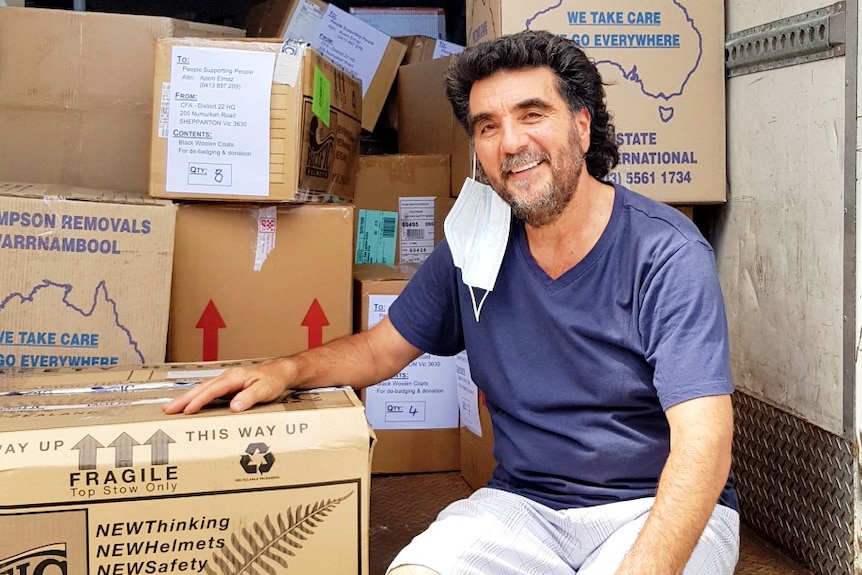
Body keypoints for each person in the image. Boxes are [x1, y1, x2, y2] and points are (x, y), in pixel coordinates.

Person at [165, 29, 739, 575]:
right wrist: (286, 369)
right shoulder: (476, 245)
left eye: (532, 115)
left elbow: (703, 445)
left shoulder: (663, 252)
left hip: (654, 503)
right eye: (487, 127)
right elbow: (378, 351)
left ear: (583, 127)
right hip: (527, 505)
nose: (511, 143)